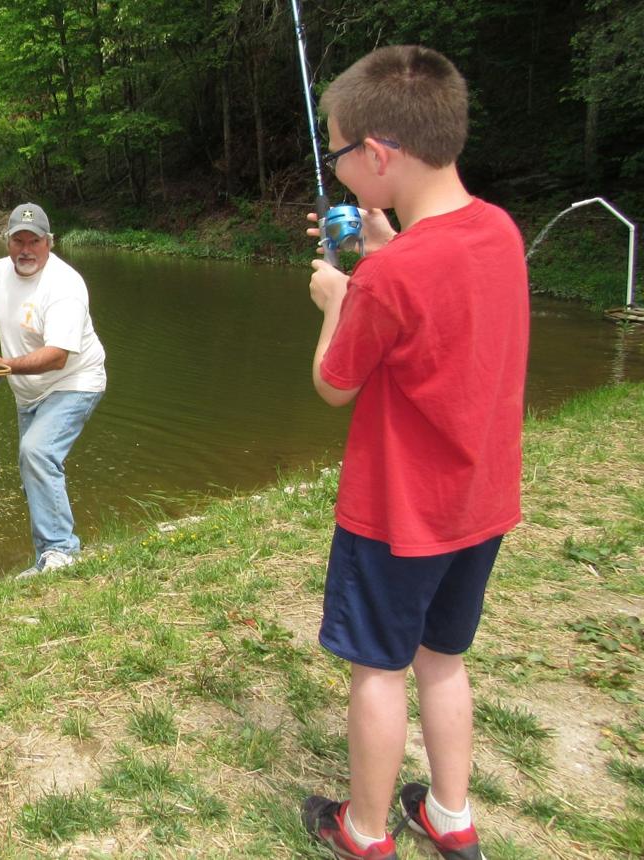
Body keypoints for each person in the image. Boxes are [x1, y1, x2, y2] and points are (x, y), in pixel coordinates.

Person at [299, 46, 528, 860]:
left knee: (377, 671)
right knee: (443, 658)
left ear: (380, 155)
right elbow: (444, 314)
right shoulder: (499, 232)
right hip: (480, 504)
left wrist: (339, 296)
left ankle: (362, 831)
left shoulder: (388, 280)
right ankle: (451, 817)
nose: (338, 168)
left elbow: (335, 381)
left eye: (339, 153)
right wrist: (386, 249)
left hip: (397, 514)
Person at [0, 203, 106, 578]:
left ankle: (61, 552)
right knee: (35, 470)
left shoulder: (65, 286)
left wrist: (3, 365)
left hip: (74, 382)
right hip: (29, 392)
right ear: (7, 241)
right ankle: (48, 555)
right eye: (17, 241)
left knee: (36, 452)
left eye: (34, 241)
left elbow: (58, 356)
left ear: (49, 243)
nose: (25, 249)